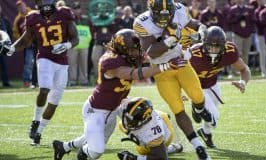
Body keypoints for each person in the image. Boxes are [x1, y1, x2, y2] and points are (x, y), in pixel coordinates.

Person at [51, 29, 187, 160]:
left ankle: (63, 147)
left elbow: (151, 56)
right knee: (96, 150)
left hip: (116, 106)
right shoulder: (109, 62)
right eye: (132, 49)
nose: (136, 52)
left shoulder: (131, 54)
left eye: (136, 48)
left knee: (141, 115)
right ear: (122, 49)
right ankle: (83, 153)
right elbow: (134, 74)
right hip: (97, 111)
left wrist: (172, 46)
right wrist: (165, 66)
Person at [133, 0, 211, 159]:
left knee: (198, 96)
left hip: (180, 62)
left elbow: (196, 25)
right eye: (159, 14)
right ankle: (198, 145)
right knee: (177, 109)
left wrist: (202, 32)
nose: (163, 18)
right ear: (151, 11)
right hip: (162, 69)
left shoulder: (180, 10)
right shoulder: (142, 22)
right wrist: (171, 40)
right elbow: (152, 52)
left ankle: (199, 108)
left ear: (173, 10)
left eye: (167, 14)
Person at [1, 0, 79, 145]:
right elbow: (25, 40)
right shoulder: (33, 17)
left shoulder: (65, 13)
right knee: (44, 89)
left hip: (62, 62)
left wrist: (66, 44)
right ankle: (35, 120)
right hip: (45, 57)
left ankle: (39, 131)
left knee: (54, 101)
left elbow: (76, 38)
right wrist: (12, 48)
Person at [189, 26, 251, 148]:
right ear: (204, 43)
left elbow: (244, 69)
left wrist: (243, 82)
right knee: (214, 118)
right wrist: (182, 92)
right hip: (196, 86)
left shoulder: (230, 50)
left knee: (210, 120)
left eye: (217, 46)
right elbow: (180, 75)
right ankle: (196, 106)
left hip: (212, 84)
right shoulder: (194, 54)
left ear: (223, 45)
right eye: (210, 46)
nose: (213, 50)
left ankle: (205, 133)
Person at [116, 97, 183, 160]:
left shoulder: (153, 129)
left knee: (143, 151)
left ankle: (170, 148)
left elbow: (162, 158)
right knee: (122, 124)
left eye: (134, 120)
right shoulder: (125, 107)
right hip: (157, 116)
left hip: (166, 130)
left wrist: (136, 158)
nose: (129, 123)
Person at [13, 0, 35, 88]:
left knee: (40, 62)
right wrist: (23, 41)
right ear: (18, 9)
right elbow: (15, 33)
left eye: (22, 5)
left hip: (38, 42)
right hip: (28, 44)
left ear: (25, 5)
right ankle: (27, 81)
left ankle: (36, 81)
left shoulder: (32, 13)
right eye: (19, 7)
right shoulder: (17, 20)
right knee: (28, 63)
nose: (21, 8)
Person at [0, 4, 12, 87]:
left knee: (3, 65)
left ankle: (5, 82)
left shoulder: (5, 20)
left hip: (2, 46)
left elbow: (9, 32)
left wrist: (8, 43)